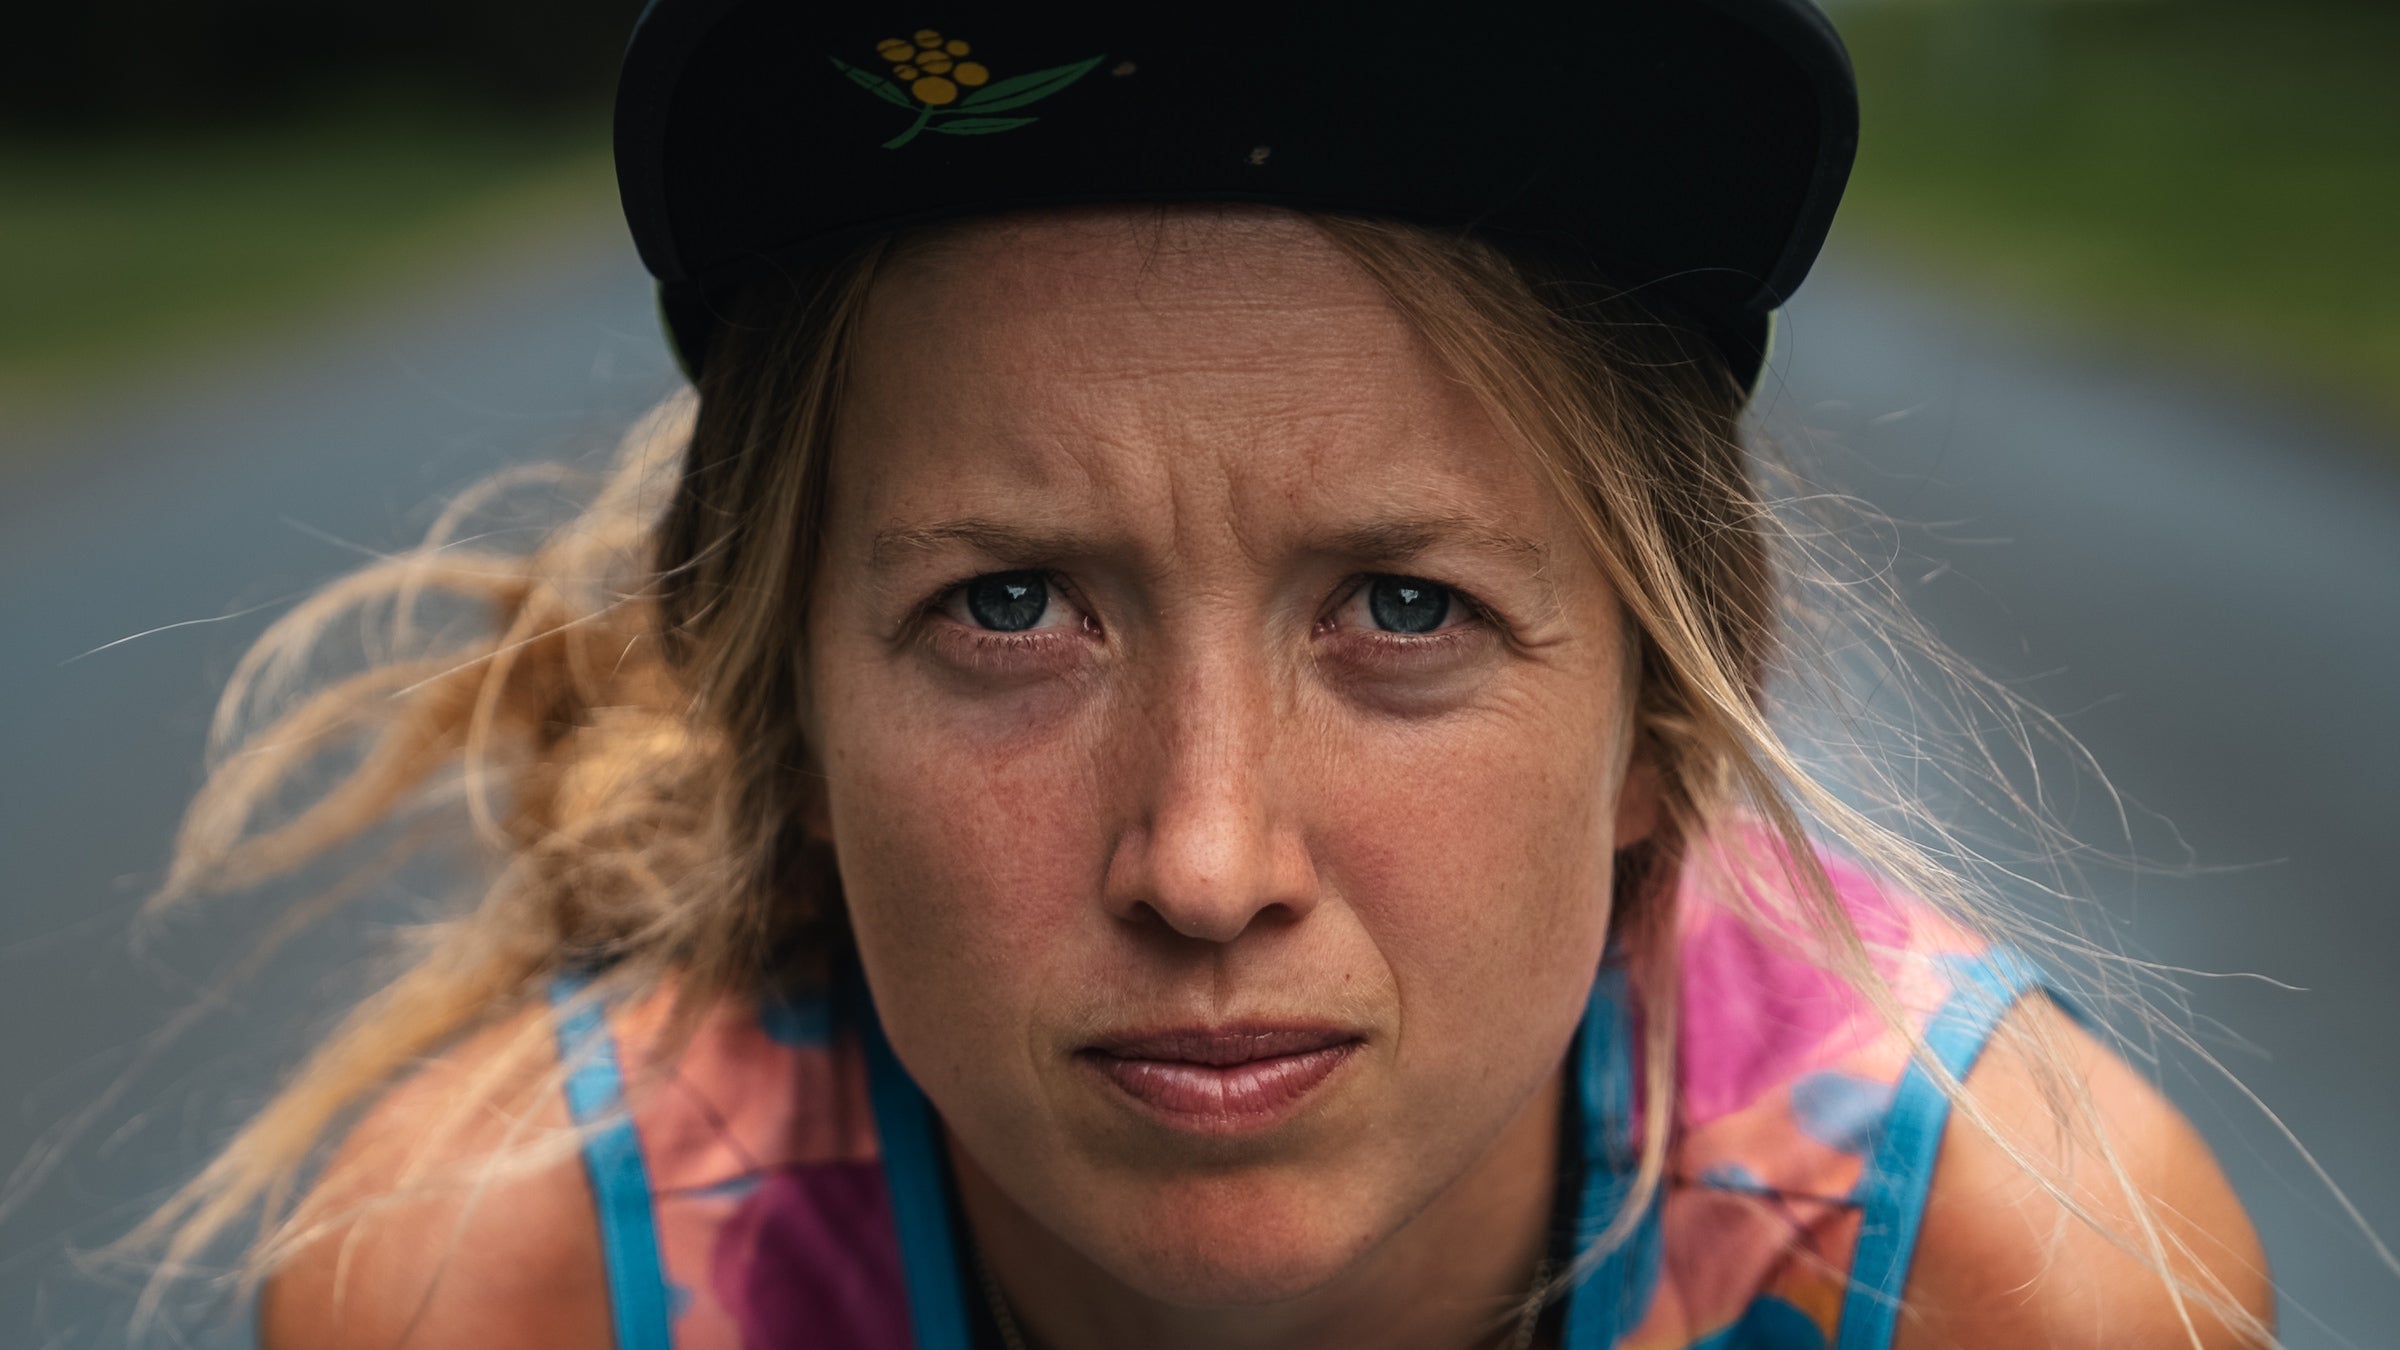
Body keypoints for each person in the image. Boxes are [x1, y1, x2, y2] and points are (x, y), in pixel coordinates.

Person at [129, 3, 2275, 1347]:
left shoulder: (1993, 1285)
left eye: (1405, 609)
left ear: (1666, 716)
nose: (1207, 859)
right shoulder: (513, 1293)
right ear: (783, 709)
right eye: (1011, 607)